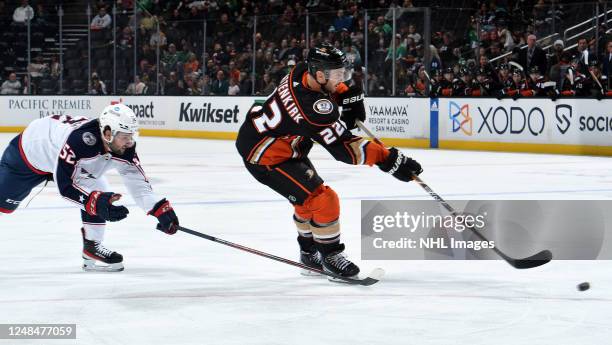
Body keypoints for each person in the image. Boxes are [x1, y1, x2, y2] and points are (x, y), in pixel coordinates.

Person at [235, 43, 422, 280]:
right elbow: (345, 149)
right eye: (337, 75)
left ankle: (308, 252)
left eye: (342, 72)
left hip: (279, 144)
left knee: (305, 202)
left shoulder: (302, 71)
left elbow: (330, 89)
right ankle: (330, 257)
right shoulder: (311, 108)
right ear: (320, 74)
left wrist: (346, 93)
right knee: (324, 200)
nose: (341, 77)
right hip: (265, 156)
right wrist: (389, 159)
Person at [0, 104, 179, 271]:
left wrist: (157, 208)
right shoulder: (80, 142)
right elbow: (65, 186)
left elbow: (137, 182)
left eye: (131, 136)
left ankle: (92, 246)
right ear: (108, 133)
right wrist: (94, 202)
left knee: (98, 195)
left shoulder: (125, 146)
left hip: (63, 157)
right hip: (28, 156)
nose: (129, 142)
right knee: (2, 205)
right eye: (125, 137)